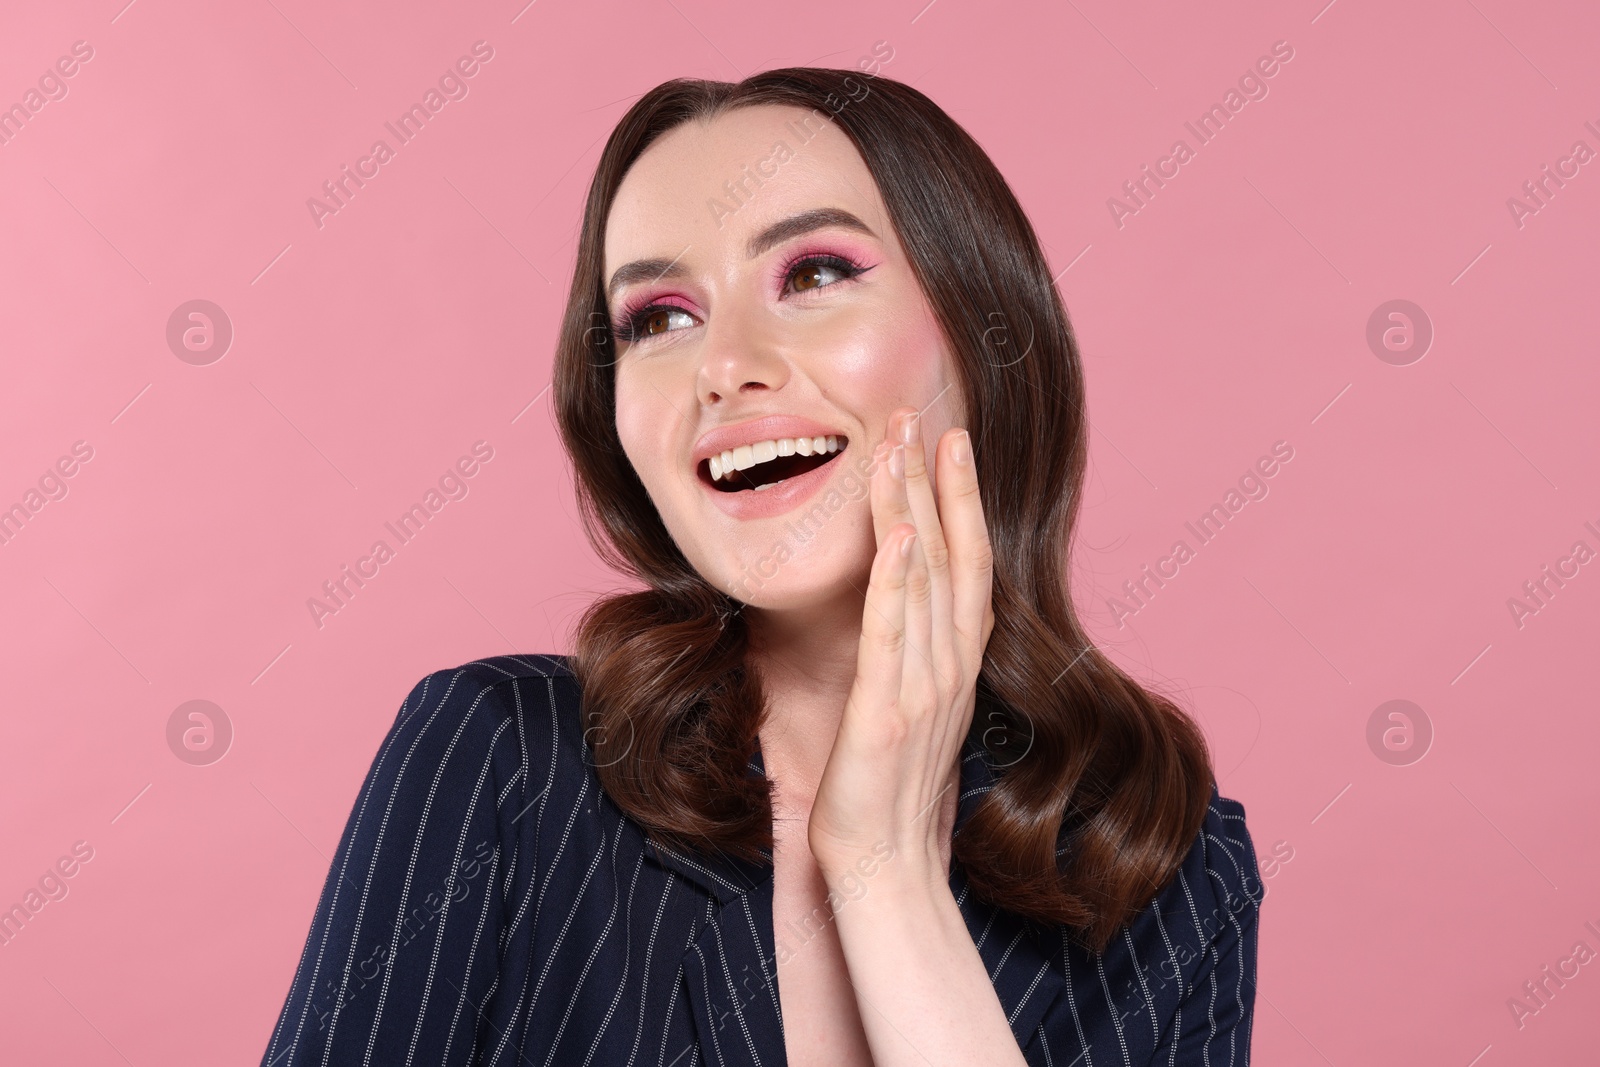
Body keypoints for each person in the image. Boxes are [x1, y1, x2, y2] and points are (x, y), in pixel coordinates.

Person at [259, 66, 1263, 1067]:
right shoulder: (500, 762)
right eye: (657, 317)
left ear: (983, 336)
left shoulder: (1169, 871)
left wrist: (884, 871)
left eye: (814, 274)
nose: (723, 363)